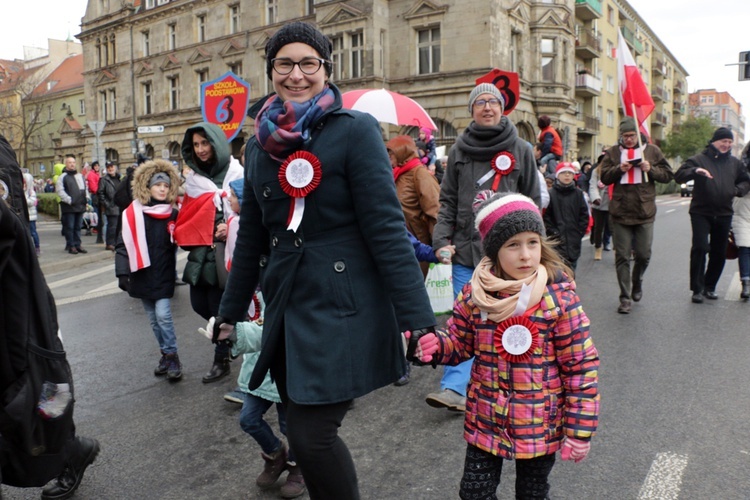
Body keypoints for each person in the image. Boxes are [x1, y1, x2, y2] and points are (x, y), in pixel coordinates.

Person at [215, 21, 435, 500]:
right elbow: (252, 233)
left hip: (342, 303)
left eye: (308, 63)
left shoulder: (355, 131)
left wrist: (420, 320)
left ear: (325, 68)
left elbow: (386, 230)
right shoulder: (257, 145)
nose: (297, 74)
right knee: (301, 429)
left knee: (312, 437)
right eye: (285, 64)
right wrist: (229, 312)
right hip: (286, 302)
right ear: (271, 70)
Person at [408, 192, 599, 499]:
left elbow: (580, 367)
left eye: (532, 242)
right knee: (474, 494)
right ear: (494, 250)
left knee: (532, 495)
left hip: (540, 421)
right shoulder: (475, 295)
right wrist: (433, 346)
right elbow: (459, 344)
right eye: (513, 245)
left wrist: (579, 430)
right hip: (486, 418)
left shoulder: (559, 299)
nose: (525, 255)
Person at [429, 82, 541, 413]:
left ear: (502, 108)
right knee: (465, 317)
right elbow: (447, 200)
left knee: (508, 317)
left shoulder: (521, 148)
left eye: (493, 102)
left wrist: (532, 248)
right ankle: (454, 389)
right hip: (464, 251)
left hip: (507, 254)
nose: (487, 107)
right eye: (480, 103)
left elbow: (533, 201)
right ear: (472, 111)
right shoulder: (460, 151)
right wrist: (441, 241)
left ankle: (512, 382)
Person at [0, 178, 100, 499]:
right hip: (21, 325)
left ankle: (69, 451)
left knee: (40, 396)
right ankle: (70, 449)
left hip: (22, 327)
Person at [200, 291, 308, 499]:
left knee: (290, 427)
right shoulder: (249, 289)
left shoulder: (285, 287)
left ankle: (297, 467)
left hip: (286, 372)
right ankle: (276, 454)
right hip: (256, 370)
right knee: (248, 419)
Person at [175, 122, 243, 383]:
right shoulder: (194, 181)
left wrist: (232, 223)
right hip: (201, 252)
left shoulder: (237, 173)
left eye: (205, 143)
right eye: (196, 145)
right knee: (198, 304)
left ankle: (221, 358)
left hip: (226, 251)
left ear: (216, 143)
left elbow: (251, 208)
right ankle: (234, 336)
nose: (201, 149)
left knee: (217, 307)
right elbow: (189, 214)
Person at [115, 160, 183, 380]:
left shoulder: (174, 214)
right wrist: (122, 273)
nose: (162, 189)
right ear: (147, 187)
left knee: (163, 316)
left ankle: (173, 356)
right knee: (154, 320)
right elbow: (122, 245)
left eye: (166, 185)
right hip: (141, 275)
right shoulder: (133, 214)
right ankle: (165, 353)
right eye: (157, 185)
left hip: (163, 274)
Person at [599, 117, 674, 314]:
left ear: (638, 134)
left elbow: (667, 175)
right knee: (622, 257)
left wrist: (652, 169)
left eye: (632, 136)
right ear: (621, 136)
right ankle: (625, 297)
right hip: (621, 212)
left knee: (643, 254)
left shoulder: (651, 150)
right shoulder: (613, 152)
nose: (629, 140)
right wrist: (618, 169)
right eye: (625, 136)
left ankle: (637, 280)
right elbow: (604, 178)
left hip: (644, 212)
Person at [674, 127, 750, 303]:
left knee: (719, 251)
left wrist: (737, 190)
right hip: (701, 211)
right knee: (700, 248)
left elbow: (745, 180)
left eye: (730, 142)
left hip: (724, 212)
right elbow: (678, 176)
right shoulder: (699, 159)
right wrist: (695, 171)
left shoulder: (734, 163)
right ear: (714, 141)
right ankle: (697, 289)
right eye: (724, 141)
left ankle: (710, 286)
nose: (727, 145)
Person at [386, 134, 440, 277]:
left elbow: (435, 210)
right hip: (398, 242)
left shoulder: (419, 174)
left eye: (392, 152)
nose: (389, 156)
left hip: (417, 246)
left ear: (402, 151)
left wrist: (439, 245)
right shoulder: (396, 174)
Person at [543, 162, 589, 271]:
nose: (567, 175)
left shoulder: (578, 194)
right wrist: (553, 232)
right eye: (564, 173)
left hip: (574, 239)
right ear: (558, 175)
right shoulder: (551, 194)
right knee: (558, 271)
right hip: (556, 240)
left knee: (572, 270)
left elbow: (584, 215)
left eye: (570, 173)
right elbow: (546, 217)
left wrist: (579, 232)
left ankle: (571, 287)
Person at [55, 154, 88, 255]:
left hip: (80, 206)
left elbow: (84, 189)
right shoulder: (62, 177)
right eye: (70, 162)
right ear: (66, 164)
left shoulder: (79, 176)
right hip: (69, 207)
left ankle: (78, 245)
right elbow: (60, 191)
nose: (72, 164)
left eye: (73, 162)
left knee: (78, 227)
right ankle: (71, 245)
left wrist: (86, 199)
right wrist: (70, 200)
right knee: (70, 227)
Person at [588, 158, 612, 260]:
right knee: (598, 228)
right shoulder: (596, 171)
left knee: (613, 229)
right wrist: (595, 198)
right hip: (599, 204)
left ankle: (616, 250)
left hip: (613, 204)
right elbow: (593, 186)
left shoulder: (615, 170)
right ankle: (598, 248)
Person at [99, 162, 122, 251]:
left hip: (120, 206)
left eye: (112, 167)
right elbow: (101, 193)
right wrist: (107, 204)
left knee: (119, 226)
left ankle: (117, 242)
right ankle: (110, 243)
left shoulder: (119, 178)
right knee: (112, 226)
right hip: (111, 206)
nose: (110, 169)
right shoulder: (104, 180)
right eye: (108, 167)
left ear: (115, 167)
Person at [23, 171, 41, 255]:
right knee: (26, 233)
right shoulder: (21, 191)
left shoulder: (31, 192)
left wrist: (24, 199)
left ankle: (37, 247)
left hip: (31, 216)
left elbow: (31, 202)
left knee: (33, 232)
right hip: (24, 216)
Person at [87, 161, 103, 243]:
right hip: (95, 195)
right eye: (95, 166)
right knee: (96, 212)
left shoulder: (97, 174)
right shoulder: (91, 174)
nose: (97, 167)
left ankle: (98, 227)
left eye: (98, 165)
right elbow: (93, 187)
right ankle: (96, 227)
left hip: (98, 194)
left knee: (99, 212)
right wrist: (99, 191)